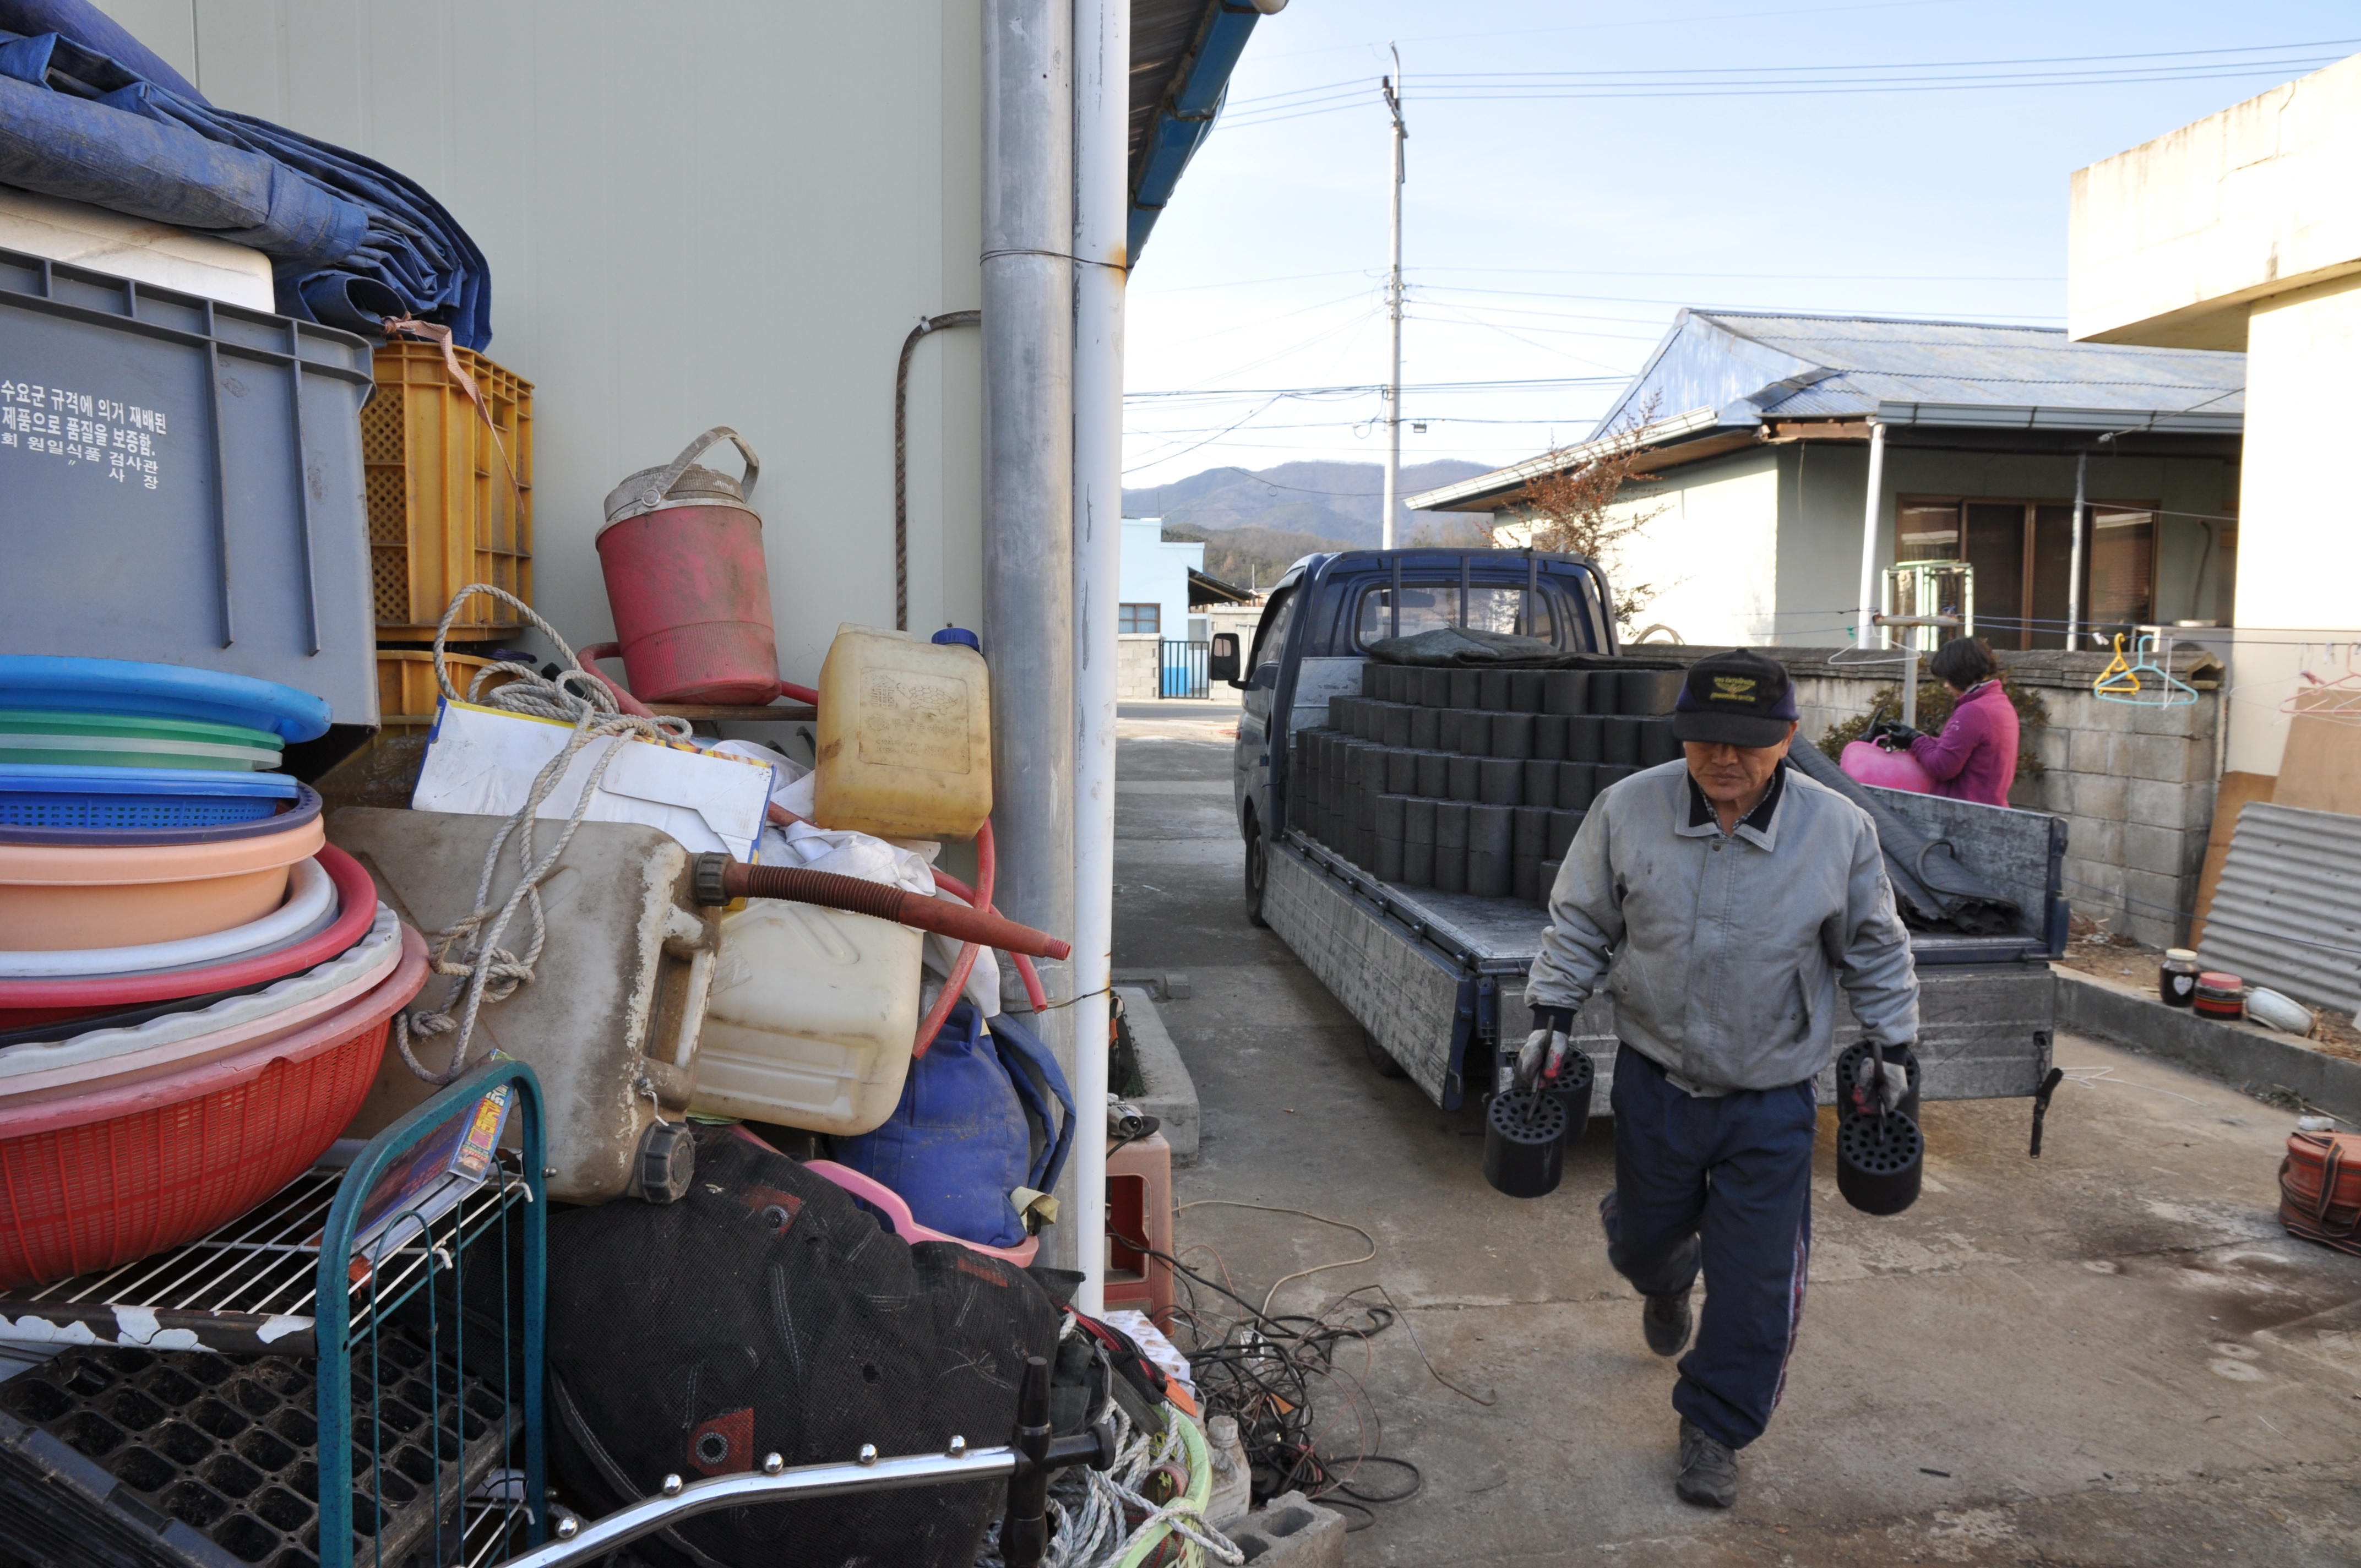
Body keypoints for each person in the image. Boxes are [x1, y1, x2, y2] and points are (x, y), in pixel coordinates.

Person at [1518, 648, 1919, 1509]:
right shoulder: (1629, 808)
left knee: (1756, 1289)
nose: (1723, 759)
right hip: (1655, 1084)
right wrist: (1551, 1015)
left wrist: (1895, 1045)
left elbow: (1875, 948)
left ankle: (1715, 1424)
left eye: (1747, 741)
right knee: (1644, 1242)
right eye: (1705, 738)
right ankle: (1663, 1274)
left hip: (1771, 1099)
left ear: (1789, 736)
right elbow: (1581, 920)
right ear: (1681, 732)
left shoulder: (1838, 830)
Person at [1875, 636, 2018, 807]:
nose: (1946, 686)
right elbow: (1961, 750)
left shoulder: (1974, 711)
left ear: (1960, 674)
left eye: (1947, 679)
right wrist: (1917, 739)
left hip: (1967, 812)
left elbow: (1942, 767)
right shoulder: (1998, 702)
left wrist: (1915, 740)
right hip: (1987, 806)